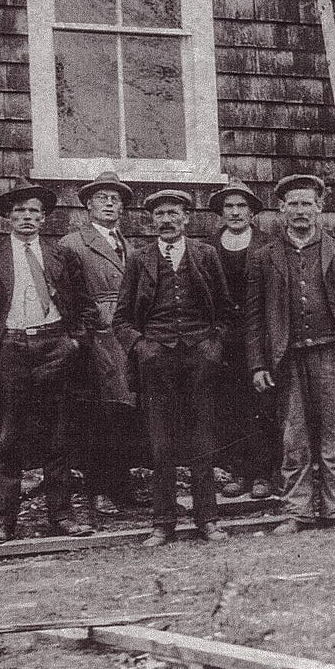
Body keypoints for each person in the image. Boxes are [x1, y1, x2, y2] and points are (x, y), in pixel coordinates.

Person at [246, 174, 335, 534]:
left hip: (331, 355)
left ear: (320, 208)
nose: (300, 211)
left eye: (307, 203)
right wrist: (257, 364)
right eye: (293, 204)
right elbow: (252, 318)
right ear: (281, 210)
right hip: (286, 358)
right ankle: (297, 511)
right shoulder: (263, 257)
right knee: (293, 436)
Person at [0, 179, 98, 544]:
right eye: (19, 211)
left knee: (59, 436)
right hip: (10, 350)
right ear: (8, 216)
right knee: (8, 439)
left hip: (55, 346)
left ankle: (62, 517)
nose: (27, 217)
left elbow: (86, 308)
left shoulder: (61, 256)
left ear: (44, 218)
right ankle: (5, 523)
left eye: (34, 211)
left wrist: (74, 343)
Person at [114, 188, 232, 546]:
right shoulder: (139, 259)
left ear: (186, 217)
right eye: (160, 214)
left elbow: (226, 311)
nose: (166, 220)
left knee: (202, 438)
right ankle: (162, 523)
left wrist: (213, 346)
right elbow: (121, 319)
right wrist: (142, 347)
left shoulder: (206, 255)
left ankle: (208, 520)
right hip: (157, 360)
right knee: (160, 442)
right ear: (151, 220)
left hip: (199, 358)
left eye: (173, 213)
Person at [59, 170, 138, 520]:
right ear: (88, 205)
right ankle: (99, 490)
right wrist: (83, 331)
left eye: (115, 198)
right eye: (102, 198)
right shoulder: (73, 243)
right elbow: (66, 296)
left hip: (127, 333)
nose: (109, 203)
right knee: (99, 414)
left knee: (126, 411)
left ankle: (124, 487)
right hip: (96, 336)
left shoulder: (128, 244)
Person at [209, 178, 276, 501]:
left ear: (252, 212)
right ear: (221, 212)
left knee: (262, 404)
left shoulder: (267, 244)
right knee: (230, 405)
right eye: (229, 207)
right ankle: (238, 472)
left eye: (241, 206)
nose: (235, 212)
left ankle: (263, 473)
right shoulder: (209, 247)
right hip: (224, 338)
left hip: (260, 334)